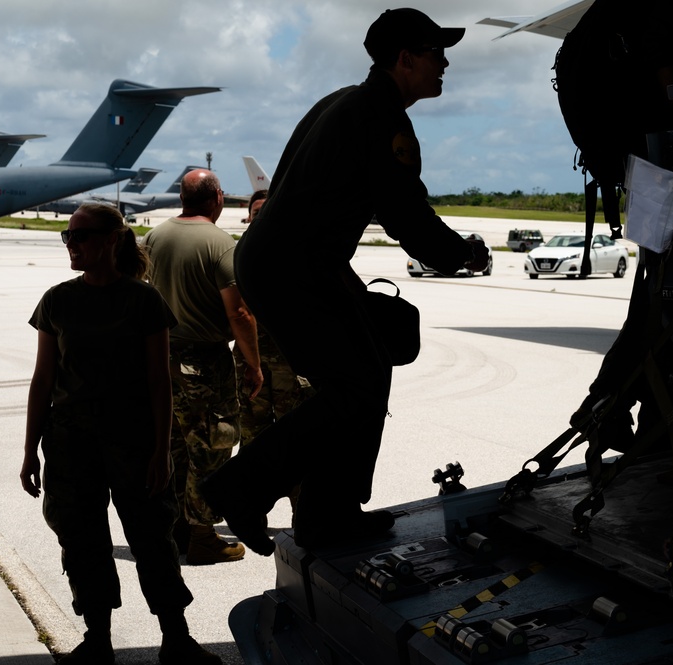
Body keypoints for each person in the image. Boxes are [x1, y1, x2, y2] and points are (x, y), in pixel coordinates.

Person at [201, 8, 489, 553]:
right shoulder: (382, 120)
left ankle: (327, 515)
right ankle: (243, 487)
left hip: (288, 260)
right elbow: (408, 217)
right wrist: (464, 254)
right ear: (405, 59)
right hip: (295, 267)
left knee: (368, 374)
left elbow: (290, 185)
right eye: (436, 52)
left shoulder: (341, 101)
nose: (445, 62)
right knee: (353, 388)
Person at [20, 203, 222, 664]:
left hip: (134, 441)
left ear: (112, 239)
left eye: (82, 236)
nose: (72, 244)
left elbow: (159, 381)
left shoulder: (143, 300)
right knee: (82, 541)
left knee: (154, 538)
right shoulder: (57, 300)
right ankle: (98, 639)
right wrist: (30, 450)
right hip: (71, 444)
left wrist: (161, 450)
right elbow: (42, 380)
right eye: (68, 237)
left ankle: (176, 638)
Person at [143, 169, 263, 565]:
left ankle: (175, 528)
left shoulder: (155, 236)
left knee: (172, 445)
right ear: (216, 198)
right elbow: (240, 311)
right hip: (203, 362)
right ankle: (202, 535)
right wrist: (253, 363)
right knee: (212, 445)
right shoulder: (218, 242)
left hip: (160, 355)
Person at [231, 190, 312, 514]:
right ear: (248, 216)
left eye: (266, 210)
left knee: (297, 442)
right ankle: (251, 511)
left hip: (291, 366)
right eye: (255, 211)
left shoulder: (300, 253)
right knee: (253, 441)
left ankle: (305, 513)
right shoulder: (237, 254)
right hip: (250, 365)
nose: (259, 216)